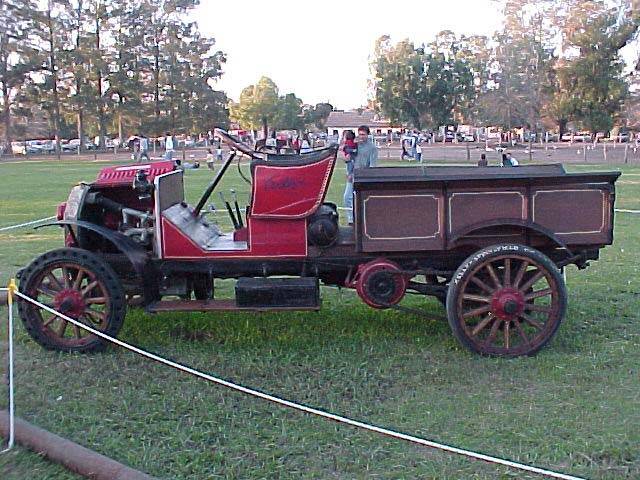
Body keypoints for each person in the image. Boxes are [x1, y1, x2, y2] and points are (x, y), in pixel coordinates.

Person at [343, 125, 378, 225]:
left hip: (364, 176)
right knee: (347, 197)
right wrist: (349, 170)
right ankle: (351, 219)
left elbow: (372, 165)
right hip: (353, 176)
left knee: (364, 199)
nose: (361, 136)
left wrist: (366, 176)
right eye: (360, 134)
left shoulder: (372, 148)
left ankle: (363, 219)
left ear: (368, 135)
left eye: (363, 134)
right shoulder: (355, 145)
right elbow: (349, 160)